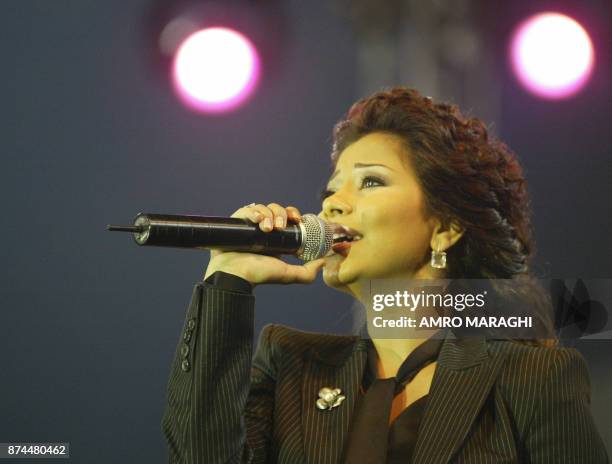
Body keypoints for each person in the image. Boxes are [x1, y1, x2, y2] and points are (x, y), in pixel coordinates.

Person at [161, 88, 609, 463]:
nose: (333, 203)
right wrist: (227, 280)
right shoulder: (291, 366)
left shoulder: (530, 379)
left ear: (446, 227)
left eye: (370, 182)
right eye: (331, 191)